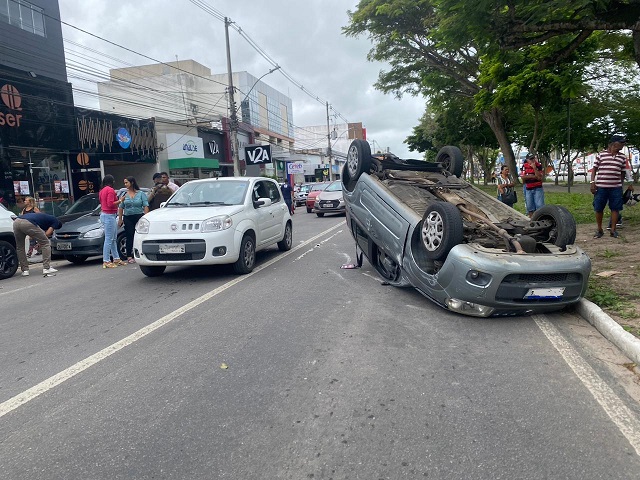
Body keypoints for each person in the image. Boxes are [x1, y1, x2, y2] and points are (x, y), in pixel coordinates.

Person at [591, 134, 632, 239]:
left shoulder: (622, 157)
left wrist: (620, 184)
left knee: (616, 208)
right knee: (598, 208)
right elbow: (594, 169)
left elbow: (623, 172)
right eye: (621, 142)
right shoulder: (601, 155)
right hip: (601, 187)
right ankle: (599, 229)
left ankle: (613, 230)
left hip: (616, 188)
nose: (623, 144)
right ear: (614, 144)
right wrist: (592, 183)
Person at [13, 212, 62, 277]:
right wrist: (40, 243)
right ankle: (46, 268)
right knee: (46, 243)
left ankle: (25, 270)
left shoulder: (44, 219)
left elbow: (33, 235)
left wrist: (38, 242)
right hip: (28, 223)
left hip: (17, 221)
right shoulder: (55, 221)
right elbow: (47, 234)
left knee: (20, 247)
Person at [118, 176, 149, 263]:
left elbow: (145, 205)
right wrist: (120, 219)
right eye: (124, 183)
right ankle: (129, 256)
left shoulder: (141, 194)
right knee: (129, 235)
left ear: (132, 183)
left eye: (126, 182)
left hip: (139, 216)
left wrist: (146, 217)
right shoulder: (124, 195)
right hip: (128, 217)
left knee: (140, 235)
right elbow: (121, 207)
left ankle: (141, 253)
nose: (125, 184)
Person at [99, 174, 126, 268]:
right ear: (111, 181)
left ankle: (116, 258)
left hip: (105, 214)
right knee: (109, 239)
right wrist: (120, 200)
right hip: (109, 215)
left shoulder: (102, 190)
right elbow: (110, 204)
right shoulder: (110, 190)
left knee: (113, 238)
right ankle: (106, 260)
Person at [521, 152, 545, 217]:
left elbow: (539, 177)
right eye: (530, 159)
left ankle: (540, 218)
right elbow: (523, 177)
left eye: (533, 158)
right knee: (529, 206)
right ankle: (531, 218)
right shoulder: (524, 166)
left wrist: (534, 168)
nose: (532, 160)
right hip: (528, 188)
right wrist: (533, 176)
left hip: (537, 188)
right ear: (527, 160)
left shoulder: (538, 165)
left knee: (539, 205)